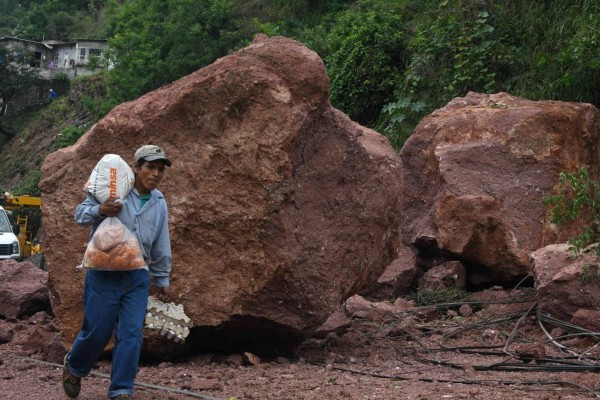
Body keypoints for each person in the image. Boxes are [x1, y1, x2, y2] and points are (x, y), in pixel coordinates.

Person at [62, 145, 173, 400]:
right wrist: (100, 210)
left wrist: (162, 277)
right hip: (104, 273)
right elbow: (80, 215)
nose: (155, 173)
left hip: (137, 276)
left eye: (160, 169)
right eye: (150, 167)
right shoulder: (114, 190)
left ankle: (121, 389)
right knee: (98, 331)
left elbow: (161, 241)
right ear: (137, 168)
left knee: (131, 334)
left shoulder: (159, 201)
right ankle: (75, 365)